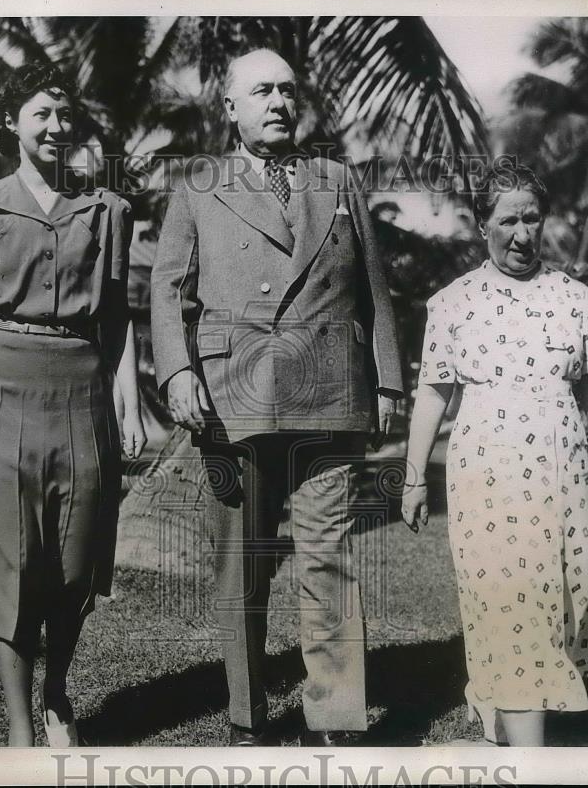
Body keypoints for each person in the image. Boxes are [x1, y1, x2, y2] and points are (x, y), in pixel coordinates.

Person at [150, 49, 403, 746]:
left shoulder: (337, 180)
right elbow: (167, 291)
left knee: (330, 557)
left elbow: (375, 288)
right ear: (228, 107)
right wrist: (176, 373)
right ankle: (247, 715)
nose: (280, 102)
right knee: (246, 565)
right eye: (262, 90)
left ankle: (335, 718)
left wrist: (386, 379)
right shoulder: (198, 185)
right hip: (237, 398)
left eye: (289, 90)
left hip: (329, 393)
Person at [0, 62, 145, 747]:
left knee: (75, 563)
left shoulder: (108, 211)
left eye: (64, 114)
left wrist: (128, 399)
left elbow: (117, 317)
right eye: (40, 114)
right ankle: (21, 730)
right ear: (12, 125)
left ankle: (57, 691)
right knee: (9, 562)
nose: (55, 126)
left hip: (80, 388)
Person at [401, 160, 588, 747]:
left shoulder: (573, 298)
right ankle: (531, 760)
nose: (522, 233)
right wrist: (412, 477)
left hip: (564, 477)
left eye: (533, 219)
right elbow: (433, 392)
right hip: (490, 477)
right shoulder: (453, 303)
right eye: (508, 220)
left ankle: (496, 705)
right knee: (515, 602)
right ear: (482, 224)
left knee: (573, 592)